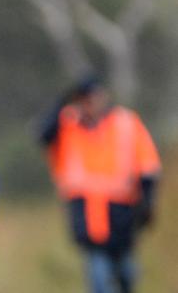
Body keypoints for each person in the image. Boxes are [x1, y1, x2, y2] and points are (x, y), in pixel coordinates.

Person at [39, 76, 161, 293]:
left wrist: (149, 203)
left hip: (123, 217)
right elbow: (43, 135)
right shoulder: (68, 125)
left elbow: (149, 167)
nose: (89, 105)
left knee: (126, 274)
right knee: (100, 279)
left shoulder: (126, 123)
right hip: (88, 220)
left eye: (92, 98)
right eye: (83, 100)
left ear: (103, 97)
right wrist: (63, 100)